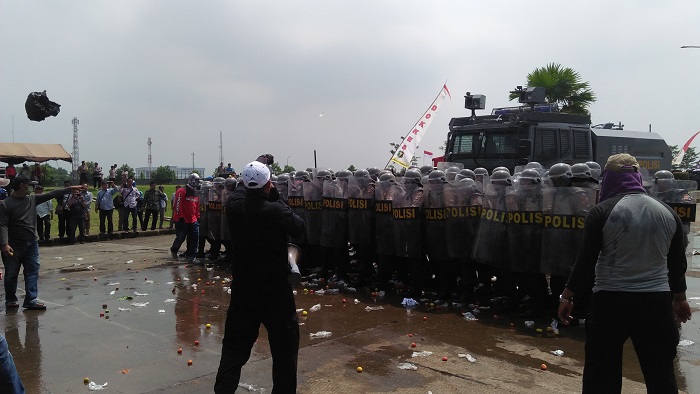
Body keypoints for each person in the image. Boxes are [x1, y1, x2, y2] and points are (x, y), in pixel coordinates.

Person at [558, 154, 692, 393]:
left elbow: (585, 263)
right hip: (656, 303)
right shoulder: (667, 213)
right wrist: (680, 298)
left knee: (601, 376)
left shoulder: (601, 212)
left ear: (607, 178)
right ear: (638, 177)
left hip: (611, 302)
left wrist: (567, 297)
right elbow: (676, 264)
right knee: (661, 375)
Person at [215, 161, 305, 393]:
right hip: (275, 292)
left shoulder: (234, 208)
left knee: (234, 349)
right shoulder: (276, 210)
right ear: (268, 185)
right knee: (285, 351)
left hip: (244, 290)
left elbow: (242, 191)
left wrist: (255, 179)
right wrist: (276, 196)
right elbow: (298, 227)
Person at [0, 174, 84, 310]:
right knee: (11, 274)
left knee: (32, 271)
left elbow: (53, 193)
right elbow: (2, 225)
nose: (31, 188)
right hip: (13, 245)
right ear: (22, 185)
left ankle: (31, 300)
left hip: (31, 243)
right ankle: (10, 300)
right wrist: (4, 244)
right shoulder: (6, 204)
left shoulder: (32, 199)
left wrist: (70, 188)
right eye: (29, 185)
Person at [170, 174, 200, 263]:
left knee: (194, 238)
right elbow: (177, 205)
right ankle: (174, 249)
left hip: (193, 219)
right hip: (183, 220)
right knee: (181, 238)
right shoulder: (182, 191)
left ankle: (192, 256)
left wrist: (198, 217)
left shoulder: (196, 192)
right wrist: (180, 217)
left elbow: (197, 206)